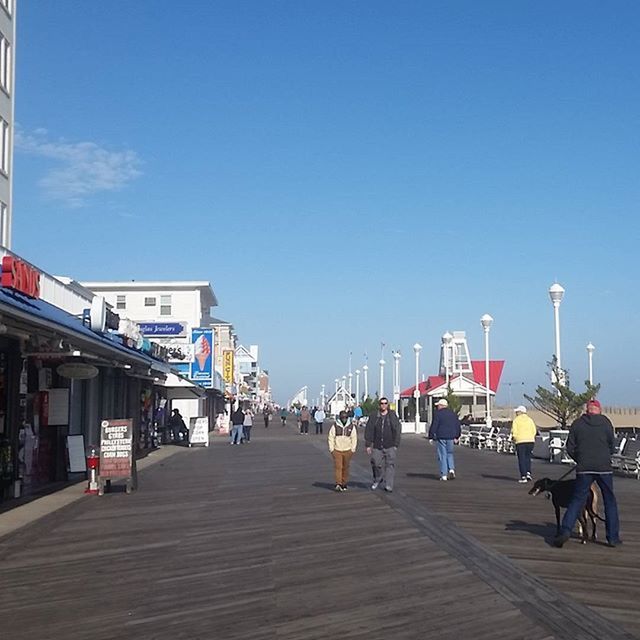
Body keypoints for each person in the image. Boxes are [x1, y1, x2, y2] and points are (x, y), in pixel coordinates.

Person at [554, 399, 622, 548]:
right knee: (609, 500)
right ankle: (612, 538)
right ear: (599, 409)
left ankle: (565, 531)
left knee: (577, 500)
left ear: (587, 410)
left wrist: (579, 459)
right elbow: (612, 445)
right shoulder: (606, 423)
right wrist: (605, 455)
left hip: (584, 467)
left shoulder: (578, 424)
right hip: (604, 467)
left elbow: (570, 447)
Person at [364, 397, 402, 492]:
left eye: (385, 403)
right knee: (375, 463)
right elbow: (369, 430)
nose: (383, 405)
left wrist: (396, 444)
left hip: (390, 445)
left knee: (390, 465)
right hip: (377, 445)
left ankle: (389, 485)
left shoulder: (392, 416)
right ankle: (378, 477)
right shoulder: (374, 416)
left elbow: (397, 429)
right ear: (379, 405)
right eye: (382, 403)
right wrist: (368, 444)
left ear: (387, 405)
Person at [428, 398, 461, 481]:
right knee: (450, 453)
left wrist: (431, 436)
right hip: (451, 436)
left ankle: (444, 474)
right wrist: (457, 436)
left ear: (441, 405)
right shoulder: (453, 414)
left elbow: (434, 425)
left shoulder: (438, 414)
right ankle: (451, 469)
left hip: (441, 436)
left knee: (443, 455)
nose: (437, 407)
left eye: (438, 405)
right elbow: (457, 425)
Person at [328, 410, 358, 491]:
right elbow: (331, 437)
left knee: (346, 467)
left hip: (348, 450)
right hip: (337, 450)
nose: (344, 419)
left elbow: (354, 438)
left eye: (345, 417)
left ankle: (344, 483)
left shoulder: (351, 426)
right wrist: (332, 449)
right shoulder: (335, 426)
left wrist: (353, 449)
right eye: (342, 417)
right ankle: (338, 483)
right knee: (338, 467)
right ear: (340, 418)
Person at [511, 405, 537, 483]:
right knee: (528, 457)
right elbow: (534, 430)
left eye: (517, 412)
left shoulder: (516, 420)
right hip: (530, 441)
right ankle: (528, 472)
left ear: (521, 412)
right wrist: (531, 437)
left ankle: (523, 476)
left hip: (520, 441)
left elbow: (514, 431)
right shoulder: (530, 420)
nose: (516, 413)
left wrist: (515, 438)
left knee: (521, 458)